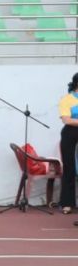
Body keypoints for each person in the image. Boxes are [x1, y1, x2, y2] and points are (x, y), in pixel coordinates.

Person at [59, 72, 78, 214]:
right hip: (70, 134)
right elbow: (66, 120)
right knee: (69, 167)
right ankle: (67, 203)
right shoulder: (66, 99)